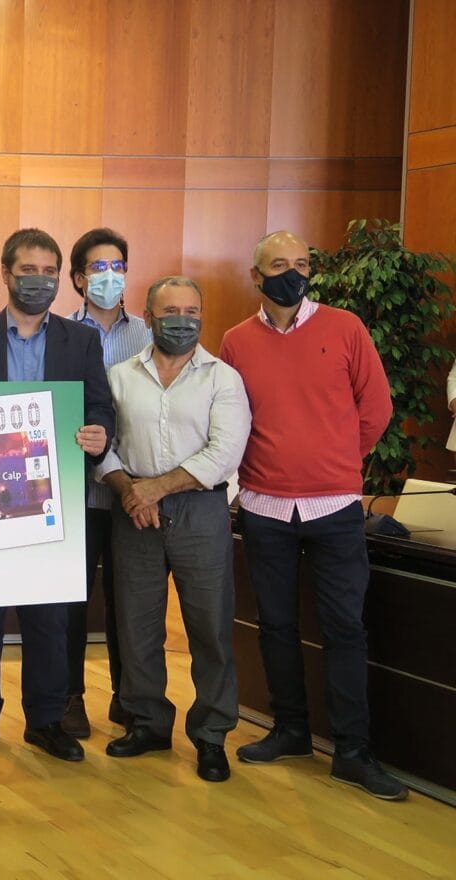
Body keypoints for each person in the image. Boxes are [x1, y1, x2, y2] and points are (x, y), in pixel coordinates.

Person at [220, 230, 406, 800]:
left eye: (302, 263)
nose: (293, 273)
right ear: (256, 275)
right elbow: (229, 418)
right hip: (264, 505)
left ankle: (353, 750)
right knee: (275, 625)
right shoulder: (235, 341)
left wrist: (336, 460)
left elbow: (376, 409)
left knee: (346, 628)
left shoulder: (345, 328)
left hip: (335, 506)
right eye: (279, 264)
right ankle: (291, 729)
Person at [0, 227, 114, 764]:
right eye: (27, 270)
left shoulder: (80, 341)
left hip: (52, 498)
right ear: (5, 272)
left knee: (50, 616)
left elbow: (100, 408)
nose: (38, 281)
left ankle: (45, 721)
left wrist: (97, 434)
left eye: (48, 272)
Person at [96, 276, 250, 782]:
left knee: (209, 627)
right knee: (137, 625)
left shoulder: (222, 378)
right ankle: (148, 724)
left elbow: (224, 452)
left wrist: (156, 489)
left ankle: (211, 735)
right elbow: (100, 445)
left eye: (191, 310)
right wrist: (128, 491)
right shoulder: (118, 376)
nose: (181, 319)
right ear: (147, 316)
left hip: (199, 510)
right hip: (132, 508)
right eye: (170, 311)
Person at [62, 227, 153, 738]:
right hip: (78, 490)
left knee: (130, 598)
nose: (110, 276)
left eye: (118, 266)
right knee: (73, 598)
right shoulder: (60, 334)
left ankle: (129, 694)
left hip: (131, 489)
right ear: (78, 278)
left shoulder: (148, 333)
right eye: (99, 268)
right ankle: (71, 696)